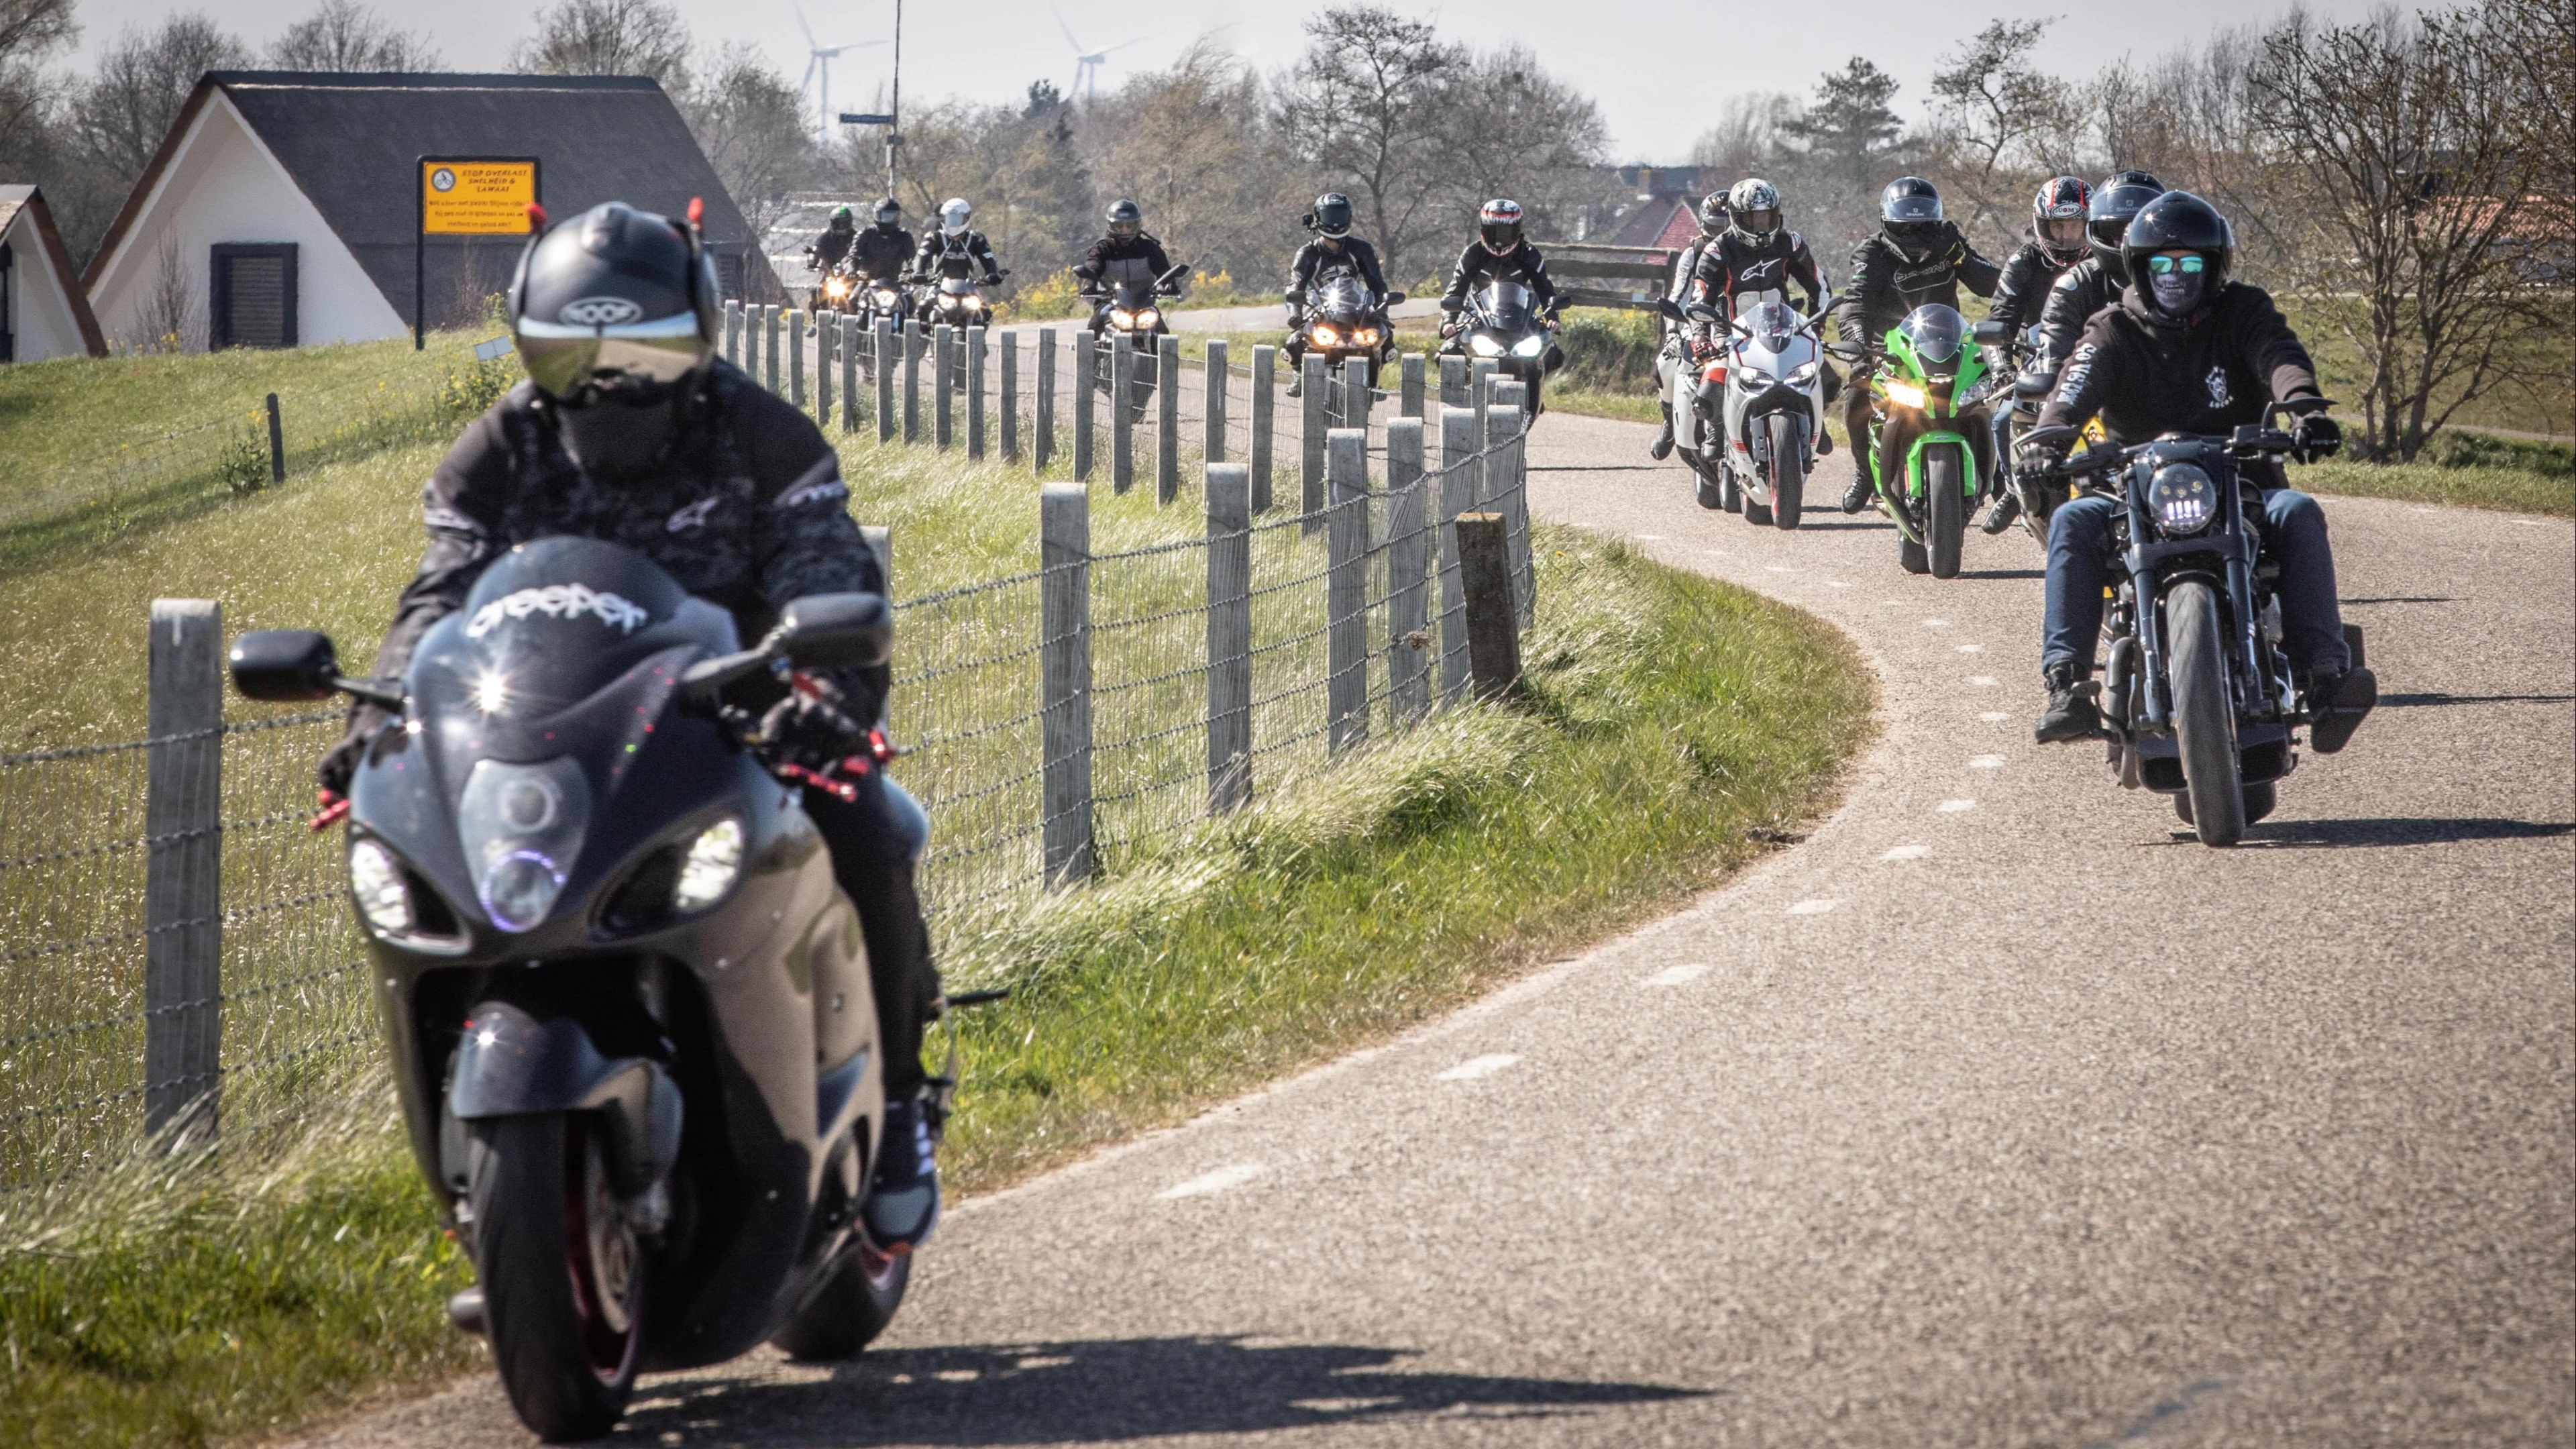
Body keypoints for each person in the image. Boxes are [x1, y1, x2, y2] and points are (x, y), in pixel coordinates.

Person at [316, 201, 947, 1252]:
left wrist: (825, 704)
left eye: (643, 354)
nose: (609, 383)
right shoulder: (499, 448)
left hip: (738, 718)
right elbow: (436, 597)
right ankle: (491, 1175)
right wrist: (377, 711)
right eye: (574, 355)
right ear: (529, 348)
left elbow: (827, 568)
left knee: (868, 830)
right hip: (546, 731)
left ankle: (898, 1121)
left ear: (698, 343)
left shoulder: (760, 432)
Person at [2019, 190, 2375, 755]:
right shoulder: (2113, 326)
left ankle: (2327, 675)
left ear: (2214, 267)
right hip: (2134, 492)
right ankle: (2066, 686)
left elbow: (2279, 355)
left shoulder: (2244, 311)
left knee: (2298, 511)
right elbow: (2076, 381)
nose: (2175, 276)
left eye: (2190, 263)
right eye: (2162, 264)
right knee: (2072, 521)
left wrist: (2305, 408)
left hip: (2244, 481)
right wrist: (2049, 437)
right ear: (2140, 268)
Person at [1831, 176, 2002, 513]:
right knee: (1855, 401)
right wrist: (1857, 344)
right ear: (1888, 221)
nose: (1916, 233)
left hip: (1949, 343)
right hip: (1891, 350)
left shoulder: (1949, 241)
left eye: (1923, 224)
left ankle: (1998, 478)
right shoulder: (1871, 253)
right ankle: (1866, 472)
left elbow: (1992, 285)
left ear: (1936, 219)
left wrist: (1962, 259)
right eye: (1906, 226)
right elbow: (1856, 303)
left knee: (1993, 397)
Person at [1653, 181, 1834, 461]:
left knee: (1827, 376)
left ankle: (1814, 423)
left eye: (1766, 217)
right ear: (1736, 218)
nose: (1761, 225)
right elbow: (1701, 301)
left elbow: (1819, 286)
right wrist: (1700, 337)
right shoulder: (1716, 251)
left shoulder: (1791, 242)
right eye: (1752, 218)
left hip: (1781, 328)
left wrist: (1816, 325)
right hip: (1731, 333)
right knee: (1710, 388)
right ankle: (1716, 428)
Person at [1976, 174, 2092, 533]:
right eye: (2059, 227)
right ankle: (2013, 486)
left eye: (2076, 226)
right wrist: (2002, 370)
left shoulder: (2107, 260)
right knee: (2002, 417)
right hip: (2039, 358)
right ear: (2043, 226)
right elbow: (1999, 322)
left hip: (2100, 358)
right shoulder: (2023, 262)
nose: (2067, 236)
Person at [2027, 170, 2165, 380]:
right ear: (2099, 231)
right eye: (2117, 231)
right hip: (2094, 402)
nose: (2128, 241)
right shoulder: (2074, 284)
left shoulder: (2184, 280)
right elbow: (2054, 362)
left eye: (2141, 230)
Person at [1648, 191, 1731, 459]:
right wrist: (1674, 332)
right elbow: (1679, 295)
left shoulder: (1744, 254)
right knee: (1665, 365)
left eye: (1725, 227)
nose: (1719, 234)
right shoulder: (1693, 253)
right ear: (1704, 225)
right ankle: (1670, 424)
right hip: (1694, 322)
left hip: (1738, 326)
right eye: (1714, 227)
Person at [1282, 192, 1391, 386]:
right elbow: (1296, 284)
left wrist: (1382, 310)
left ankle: (1374, 380)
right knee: (1292, 345)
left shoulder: (1361, 249)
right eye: (1330, 217)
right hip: (1318, 309)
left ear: (1348, 218)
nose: (1335, 223)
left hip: (1355, 309)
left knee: (1386, 341)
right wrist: (1295, 313)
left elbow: (1377, 283)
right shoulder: (1308, 253)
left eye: (1339, 216)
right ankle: (1299, 375)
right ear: (1317, 218)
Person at [1439, 199, 1560, 349]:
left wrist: (1552, 317)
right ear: (1483, 230)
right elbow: (1456, 288)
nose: (1499, 239)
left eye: (1506, 233)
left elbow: (1544, 289)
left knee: (1553, 352)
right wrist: (1449, 320)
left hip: (1520, 317)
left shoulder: (1529, 254)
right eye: (1493, 232)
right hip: (1476, 314)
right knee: (1449, 349)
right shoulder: (1473, 253)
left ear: (1517, 231)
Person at [1074, 198, 1177, 317]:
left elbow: (1163, 269)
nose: (1125, 230)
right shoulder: (1102, 249)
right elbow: (1093, 267)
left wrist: (1169, 283)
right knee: (1095, 325)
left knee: (1161, 330)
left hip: (1144, 305)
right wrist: (1089, 284)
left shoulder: (1150, 248)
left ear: (1137, 225)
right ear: (1111, 226)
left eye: (1130, 226)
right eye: (1119, 226)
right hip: (1109, 304)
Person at [910, 197, 1003, 294]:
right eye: (950, 219)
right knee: (923, 307)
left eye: (957, 219)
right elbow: (922, 256)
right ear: (943, 219)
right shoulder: (934, 237)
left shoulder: (976, 238)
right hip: (939, 288)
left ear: (966, 218)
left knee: (984, 309)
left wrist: (993, 274)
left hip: (968, 290)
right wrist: (918, 273)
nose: (953, 223)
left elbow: (988, 259)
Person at [847, 196, 916, 283]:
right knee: (853, 296)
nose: (888, 220)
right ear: (877, 215)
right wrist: (851, 270)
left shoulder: (904, 236)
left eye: (892, 216)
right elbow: (853, 255)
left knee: (908, 296)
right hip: (867, 281)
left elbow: (912, 258)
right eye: (885, 216)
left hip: (896, 283)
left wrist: (916, 272)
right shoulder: (866, 234)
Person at [805, 203, 858, 274]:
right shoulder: (825, 238)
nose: (841, 227)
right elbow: (816, 250)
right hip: (830, 273)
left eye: (844, 224)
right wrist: (812, 263)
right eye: (838, 224)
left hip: (852, 274)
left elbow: (865, 250)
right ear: (832, 223)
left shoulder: (857, 237)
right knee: (822, 284)